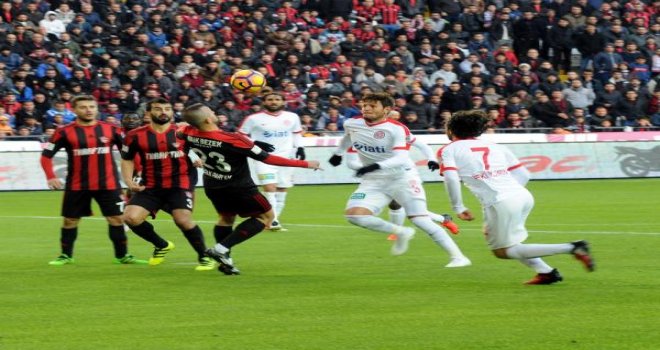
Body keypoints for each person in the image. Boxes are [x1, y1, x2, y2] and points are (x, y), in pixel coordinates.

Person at [438, 110, 595, 284]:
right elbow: (524, 174)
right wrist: (509, 194)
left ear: (451, 130)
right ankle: (546, 272)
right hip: (522, 195)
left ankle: (573, 248)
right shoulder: (496, 146)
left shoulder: (449, 150)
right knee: (511, 241)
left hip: (501, 201)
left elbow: (451, 177)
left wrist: (458, 207)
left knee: (503, 251)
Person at [328, 92, 471, 268]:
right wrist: (338, 153)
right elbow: (348, 138)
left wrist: (374, 166)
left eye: (372, 106)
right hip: (373, 180)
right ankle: (401, 232)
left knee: (420, 219)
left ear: (386, 109)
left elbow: (401, 158)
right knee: (354, 215)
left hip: (402, 177)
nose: (366, 109)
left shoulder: (396, 129)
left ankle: (458, 257)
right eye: (364, 105)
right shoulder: (352, 123)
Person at [179, 103, 321, 275]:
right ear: (208, 119)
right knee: (266, 217)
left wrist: (192, 154)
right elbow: (268, 159)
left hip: (213, 184)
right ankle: (221, 248)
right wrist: (306, 163)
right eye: (212, 111)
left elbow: (179, 135)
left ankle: (226, 261)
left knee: (225, 218)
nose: (215, 111)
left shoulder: (188, 132)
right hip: (239, 187)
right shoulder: (233, 139)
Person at [40, 95, 146, 266]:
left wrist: (139, 171)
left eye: (92, 106)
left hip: (109, 184)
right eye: (83, 107)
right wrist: (50, 176)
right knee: (70, 220)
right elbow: (46, 157)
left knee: (116, 219)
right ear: (74, 110)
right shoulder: (64, 132)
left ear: (97, 109)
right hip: (77, 185)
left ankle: (122, 256)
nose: (88, 110)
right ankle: (65, 256)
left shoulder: (111, 129)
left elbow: (130, 154)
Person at [121, 98, 212, 271]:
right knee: (130, 218)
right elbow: (127, 160)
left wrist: (196, 156)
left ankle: (204, 255)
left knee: (182, 220)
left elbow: (203, 145)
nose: (163, 111)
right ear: (148, 113)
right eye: (158, 108)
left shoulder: (185, 130)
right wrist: (128, 181)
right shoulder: (134, 135)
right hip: (151, 185)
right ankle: (161, 245)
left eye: (167, 108)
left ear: (172, 112)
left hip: (180, 183)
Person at [238, 91, 306, 231]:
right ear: (264, 102)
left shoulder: (292, 117)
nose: (273, 102)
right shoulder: (253, 118)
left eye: (277, 99)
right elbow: (240, 136)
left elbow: (296, 133)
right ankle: (273, 221)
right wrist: (255, 142)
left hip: (286, 158)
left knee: (282, 189)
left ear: (283, 102)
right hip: (264, 158)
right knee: (269, 188)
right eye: (270, 99)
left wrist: (300, 147)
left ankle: (274, 220)